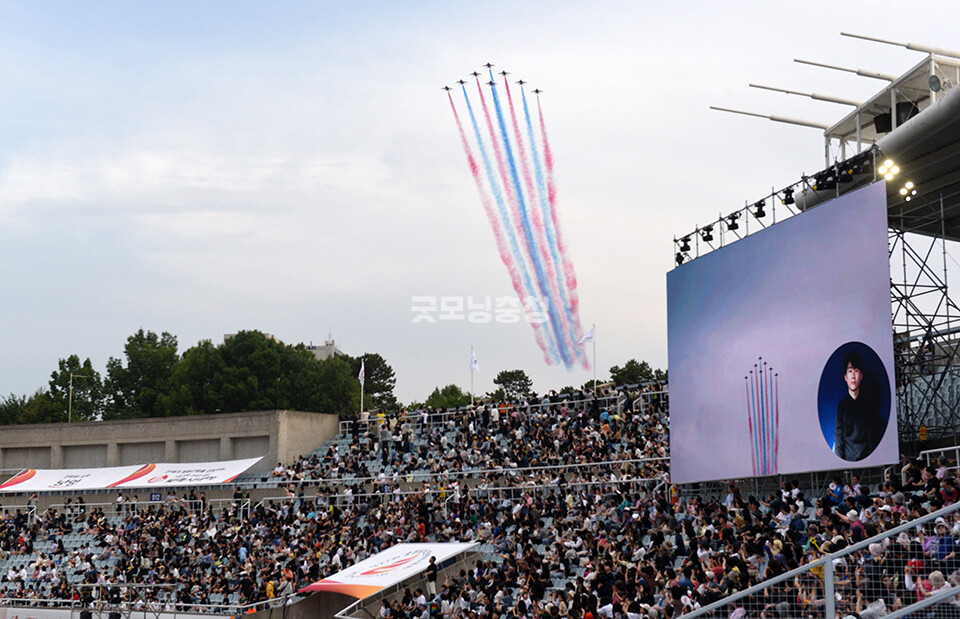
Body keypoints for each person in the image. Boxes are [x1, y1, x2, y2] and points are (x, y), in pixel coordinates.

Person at [834, 350, 883, 461]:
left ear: (861, 376)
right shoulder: (842, 407)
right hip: (848, 458)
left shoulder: (869, 406)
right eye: (850, 371)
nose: (853, 376)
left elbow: (873, 439)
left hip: (867, 458)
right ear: (845, 377)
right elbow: (838, 438)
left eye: (856, 371)